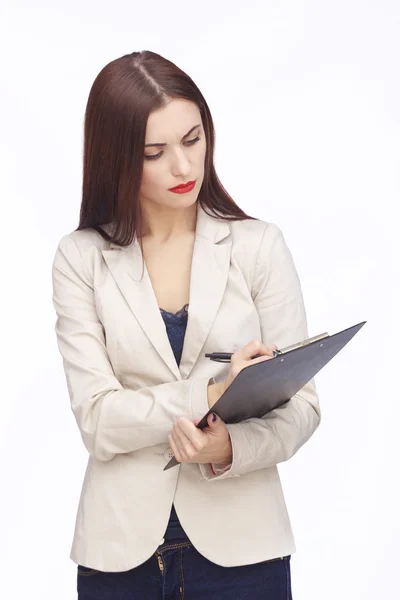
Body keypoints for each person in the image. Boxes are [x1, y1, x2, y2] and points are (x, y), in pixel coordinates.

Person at [51, 50, 321, 600]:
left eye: (192, 140)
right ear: (116, 156)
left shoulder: (258, 246)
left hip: (245, 546)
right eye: (155, 152)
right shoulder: (80, 258)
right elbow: (98, 420)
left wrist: (229, 449)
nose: (183, 167)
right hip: (119, 551)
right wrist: (212, 391)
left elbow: (304, 408)